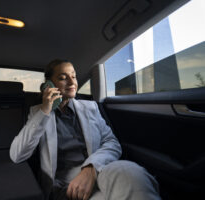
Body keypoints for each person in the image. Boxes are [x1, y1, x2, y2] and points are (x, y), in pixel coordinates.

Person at [10, 59, 161, 200]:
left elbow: (111, 142)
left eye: (74, 76)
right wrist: (45, 110)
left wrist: (91, 168)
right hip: (66, 184)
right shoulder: (38, 113)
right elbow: (17, 155)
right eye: (63, 78)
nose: (72, 82)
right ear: (48, 84)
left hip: (99, 169)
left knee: (131, 173)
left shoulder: (90, 107)